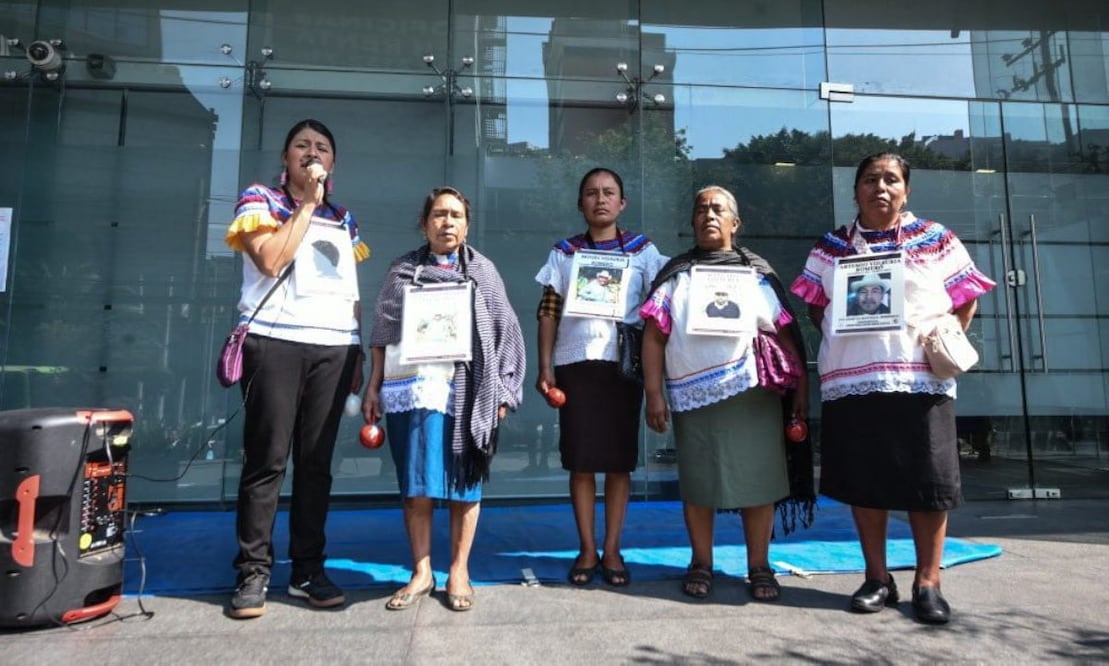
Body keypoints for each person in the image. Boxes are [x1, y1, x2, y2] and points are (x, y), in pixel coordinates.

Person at [790, 152, 996, 624]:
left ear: (906, 190)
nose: (880, 187)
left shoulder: (935, 238)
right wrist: (850, 337)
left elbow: (965, 297)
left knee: (929, 482)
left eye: (890, 180)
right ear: (855, 190)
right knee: (866, 480)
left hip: (921, 380)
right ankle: (877, 577)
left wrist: (943, 336)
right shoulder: (831, 246)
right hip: (852, 380)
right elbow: (816, 306)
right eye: (869, 180)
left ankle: (928, 582)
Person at [223, 119, 370, 619]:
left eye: (322, 148)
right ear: (286, 159)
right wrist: (306, 203)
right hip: (275, 342)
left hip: (334, 347)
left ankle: (308, 569)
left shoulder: (343, 218)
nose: (312, 153)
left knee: (316, 464)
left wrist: (356, 348)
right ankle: (253, 571)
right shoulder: (260, 200)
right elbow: (269, 260)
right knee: (267, 460)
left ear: (333, 162)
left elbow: (349, 289)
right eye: (302, 146)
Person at [639, 185, 810, 602]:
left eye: (718, 209)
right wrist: (654, 393)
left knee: (759, 482)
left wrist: (802, 391)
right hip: (693, 396)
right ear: (692, 222)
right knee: (699, 484)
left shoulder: (758, 274)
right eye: (701, 210)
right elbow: (654, 336)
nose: (709, 215)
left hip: (753, 395)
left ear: (736, 223)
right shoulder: (677, 276)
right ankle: (701, 562)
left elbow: (786, 335)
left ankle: (759, 565)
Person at [364, 186, 526, 612]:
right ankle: (421, 571)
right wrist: (373, 385)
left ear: (467, 225)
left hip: (467, 394)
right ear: (424, 223)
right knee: (417, 484)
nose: (447, 222)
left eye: (456, 215)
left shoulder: (484, 272)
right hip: (414, 390)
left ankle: (458, 570)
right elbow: (382, 334)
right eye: (439, 214)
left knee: (464, 483)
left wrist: (504, 391)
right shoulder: (402, 270)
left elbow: (506, 330)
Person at [534, 167, 667, 587]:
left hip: (623, 366)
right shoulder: (564, 252)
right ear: (581, 204)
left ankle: (612, 549)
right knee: (581, 462)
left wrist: (656, 379)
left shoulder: (644, 251)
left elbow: (658, 311)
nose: (600, 199)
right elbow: (548, 311)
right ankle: (587, 549)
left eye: (609, 192)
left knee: (618, 463)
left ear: (622, 203)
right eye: (591, 193)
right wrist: (545, 366)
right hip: (575, 366)